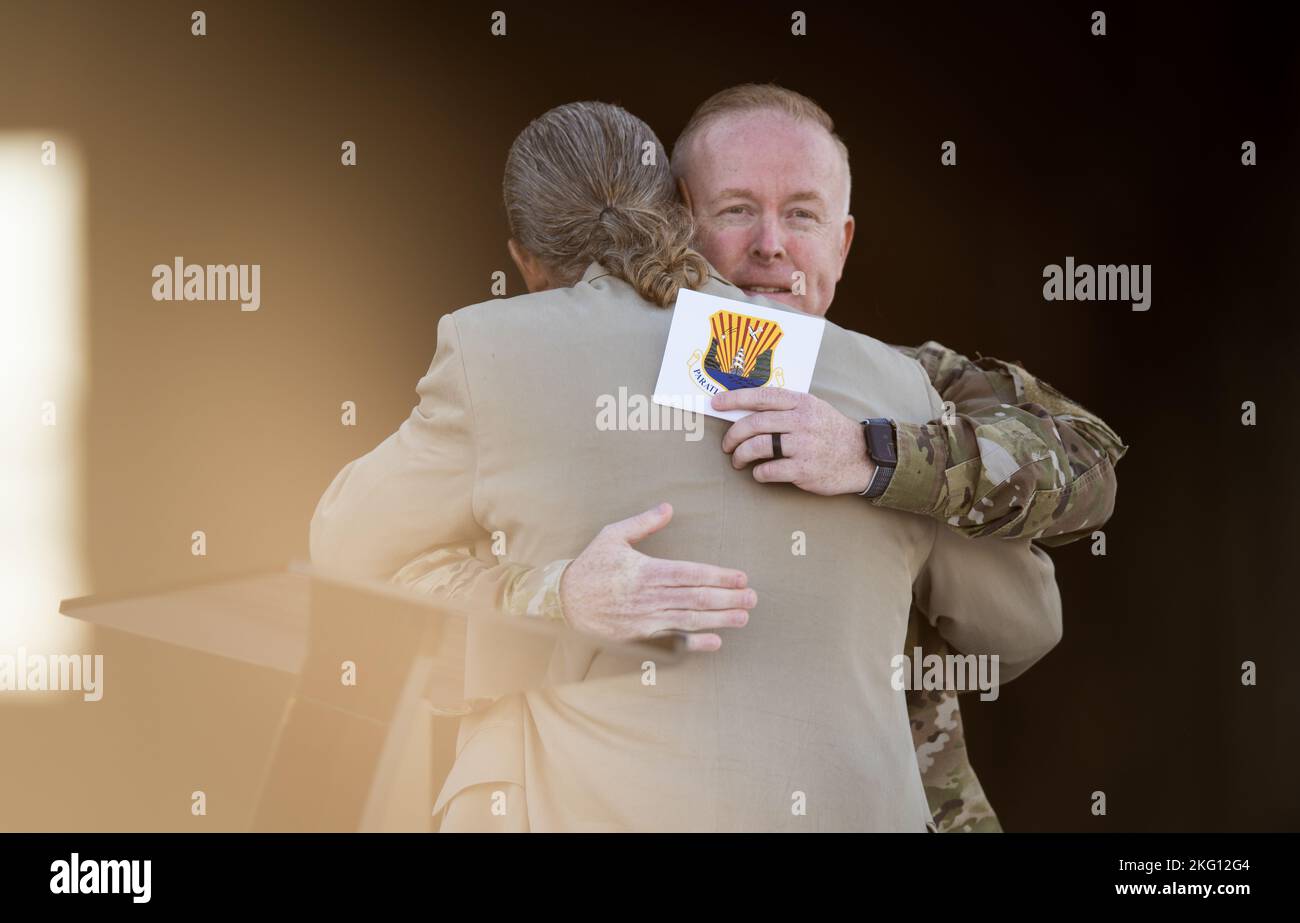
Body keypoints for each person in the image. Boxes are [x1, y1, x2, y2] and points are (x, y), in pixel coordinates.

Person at [317, 85, 1128, 831]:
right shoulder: (890, 381)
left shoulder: (902, 386)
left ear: (844, 242)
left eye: (802, 215)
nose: (771, 246)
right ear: (677, 218)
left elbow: (345, 554)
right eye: (739, 209)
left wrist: (876, 456)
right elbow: (1023, 622)